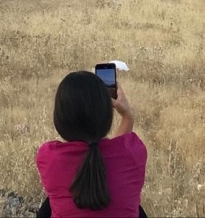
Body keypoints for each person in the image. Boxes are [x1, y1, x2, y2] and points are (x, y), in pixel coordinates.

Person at [36, 71, 148, 218]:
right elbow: (119, 153)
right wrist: (127, 116)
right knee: (136, 208)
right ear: (107, 115)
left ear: (60, 118)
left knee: (50, 203)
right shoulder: (134, 153)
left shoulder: (50, 159)